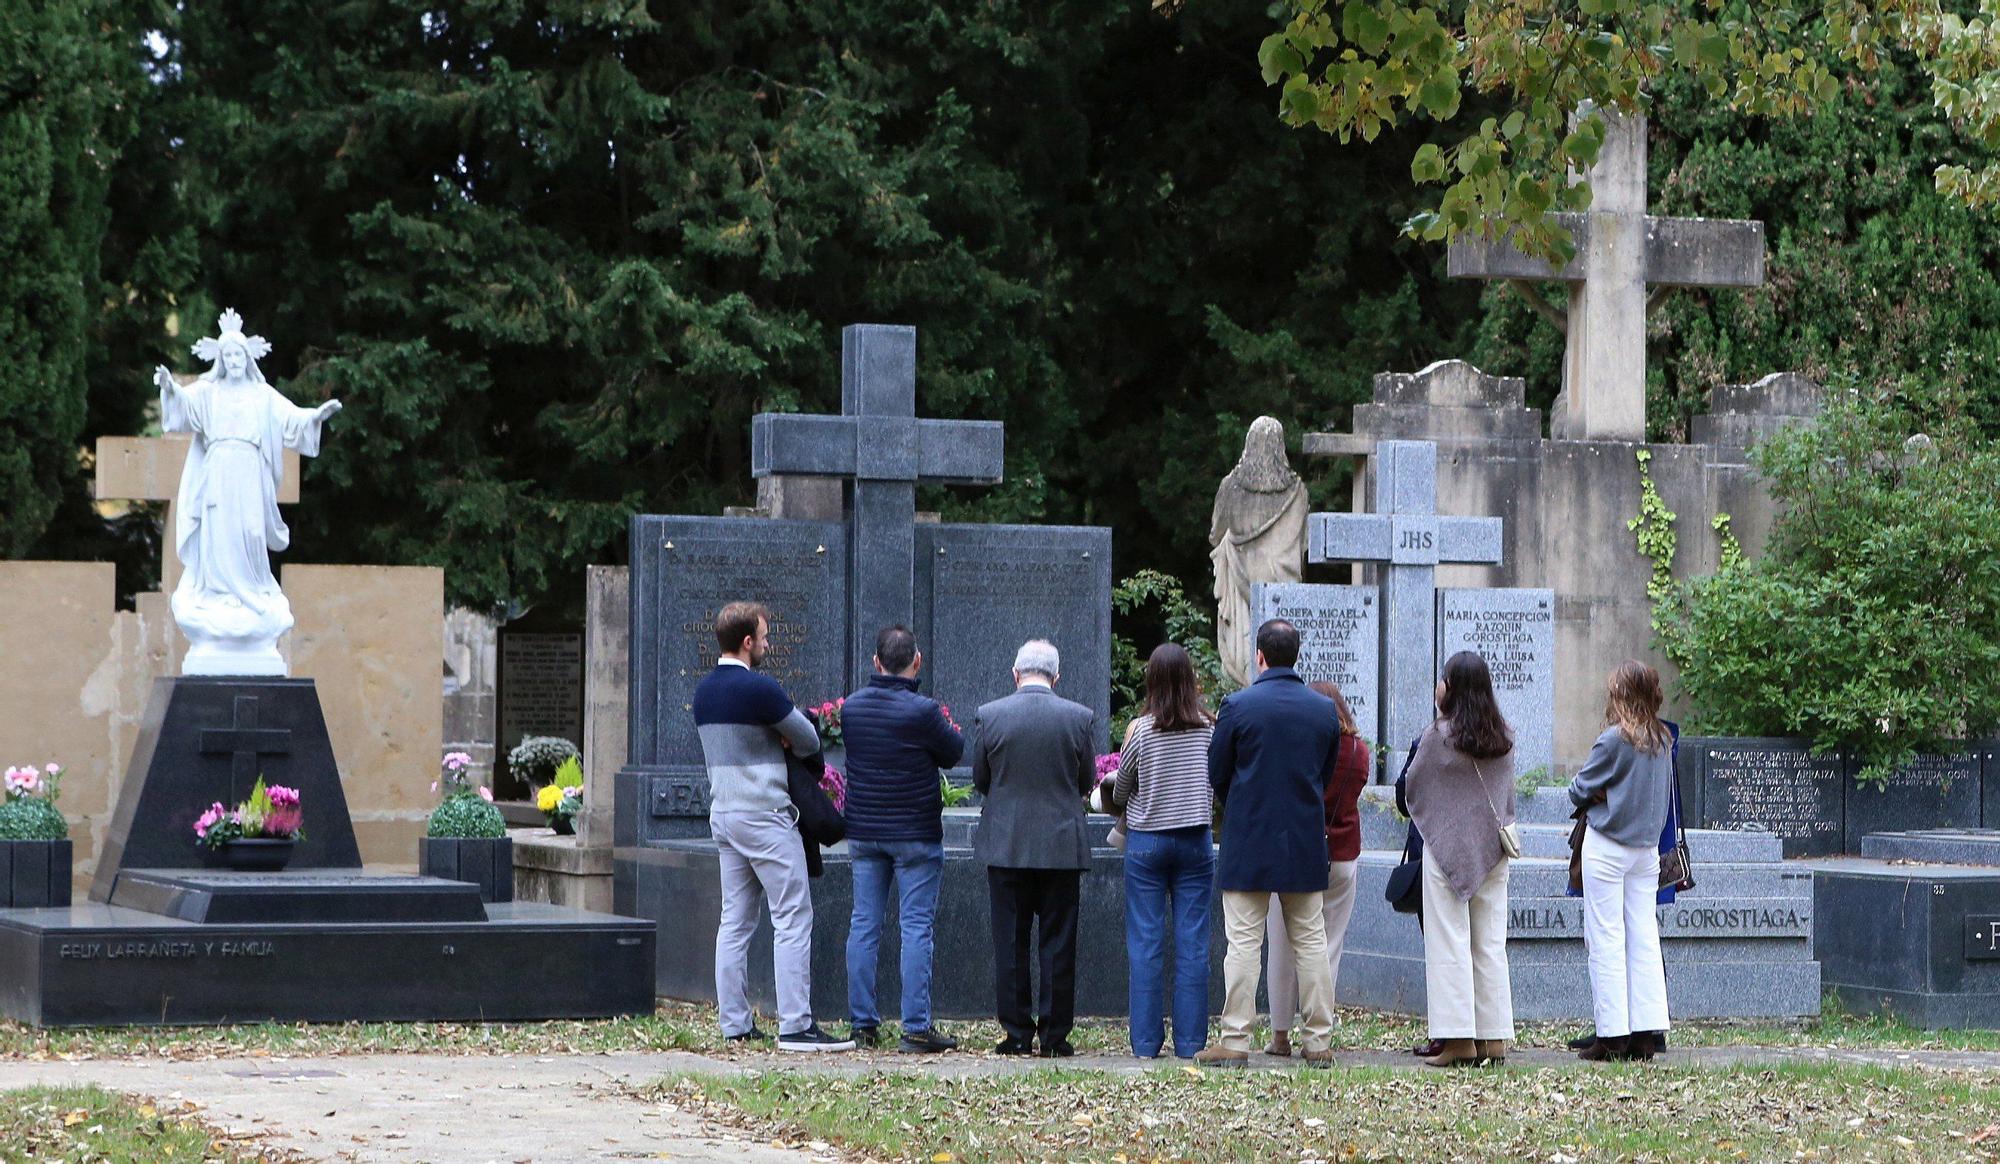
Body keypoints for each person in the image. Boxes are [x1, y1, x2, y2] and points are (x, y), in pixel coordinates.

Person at [693, 601, 853, 1052]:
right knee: (792, 916)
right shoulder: (760, 691)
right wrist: (783, 733)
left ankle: (734, 1023)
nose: (767, 643)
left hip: (723, 814)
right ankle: (797, 1025)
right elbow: (808, 738)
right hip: (764, 815)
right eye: (763, 636)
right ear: (747, 642)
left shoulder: (704, 692)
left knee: (735, 921)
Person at [155, 309, 343, 676]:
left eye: (240, 355)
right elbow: (184, 408)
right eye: (229, 356)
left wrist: (315, 416)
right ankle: (220, 596)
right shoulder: (209, 392)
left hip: (250, 475)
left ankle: (253, 593)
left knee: (251, 533)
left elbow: (291, 418)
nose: (235, 360)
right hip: (219, 473)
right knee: (219, 536)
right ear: (222, 361)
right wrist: (168, 388)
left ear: (248, 358)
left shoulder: (262, 396)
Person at [1199, 618, 1343, 1069]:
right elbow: (1326, 771)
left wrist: (1242, 805)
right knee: (1311, 940)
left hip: (1250, 837)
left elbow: (1217, 770)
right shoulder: (1322, 710)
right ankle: (1318, 1040)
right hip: (1302, 837)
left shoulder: (1238, 706)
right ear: (1295, 655)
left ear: (1259, 656)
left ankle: (1235, 1039)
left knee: (1242, 943)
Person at [839, 626, 966, 1053]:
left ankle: (862, 1025)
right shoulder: (923, 711)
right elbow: (953, 752)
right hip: (914, 834)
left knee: (864, 925)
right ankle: (915, 1027)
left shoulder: (852, 708)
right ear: (917, 662)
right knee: (915, 928)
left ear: (876, 663)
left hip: (865, 831)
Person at [970, 640, 1098, 1057]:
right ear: (1056, 677)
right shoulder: (1078, 718)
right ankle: (1056, 1036)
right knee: (1059, 944)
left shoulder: (990, 716)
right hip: (1061, 844)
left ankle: (1017, 1033)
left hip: (1006, 844)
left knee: (1010, 943)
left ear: (1015, 673)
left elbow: (981, 780)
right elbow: (1084, 781)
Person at [1405, 650, 1517, 1068]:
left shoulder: (1439, 736)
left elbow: (1411, 788)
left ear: (1448, 687)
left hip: (1446, 850)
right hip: (1493, 849)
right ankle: (1493, 1039)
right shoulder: (1503, 735)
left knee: (1449, 941)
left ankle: (1457, 1040)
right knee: (1489, 944)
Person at [1111, 643, 1216, 1059]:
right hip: (1194, 840)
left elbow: (1121, 789)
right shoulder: (1210, 727)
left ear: (1151, 680)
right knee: (1193, 943)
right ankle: (1190, 1044)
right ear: (1191, 680)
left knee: (1146, 941)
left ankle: (1145, 1044)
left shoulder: (1141, 729)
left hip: (1147, 842)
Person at [1569, 660, 1675, 1062]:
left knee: (1606, 938)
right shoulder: (1663, 739)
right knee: (1644, 939)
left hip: (1609, 845)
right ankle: (1645, 1035)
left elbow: (1578, 788)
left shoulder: (1613, 740)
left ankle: (1611, 1035)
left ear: (1622, 695)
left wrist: (1598, 793)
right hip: (1646, 851)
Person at [1263, 680, 1371, 1058]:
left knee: (1281, 946)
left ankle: (1279, 1036)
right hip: (1342, 853)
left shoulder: (1303, 746)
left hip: (1297, 851)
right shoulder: (1359, 751)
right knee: (1329, 946)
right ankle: (1318, 1033)